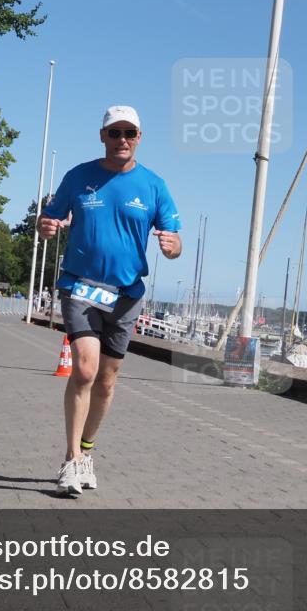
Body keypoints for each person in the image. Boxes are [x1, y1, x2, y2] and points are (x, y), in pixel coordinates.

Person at [38, 105, 182, 496]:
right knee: (84, 369)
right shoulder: (79, 177)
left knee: (106, 381)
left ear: (139, 138)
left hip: (126, 295)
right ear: (102, 136)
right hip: (80, 286)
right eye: (114, 133)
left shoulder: (154, 185)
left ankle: (86, 452)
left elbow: (175, 237)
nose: (122, 140)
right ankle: (69, 461)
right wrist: (47, 225)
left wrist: (172, 247)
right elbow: (49, 217)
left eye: (129, 133)